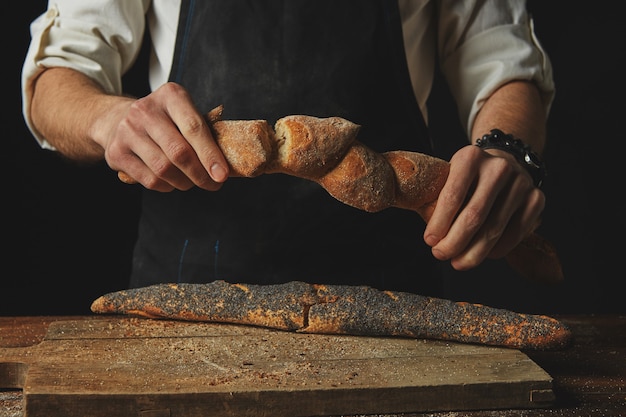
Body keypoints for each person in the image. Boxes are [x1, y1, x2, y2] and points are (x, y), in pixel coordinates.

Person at [21, 1, 554, 295]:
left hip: (393, 298)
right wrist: (108, 116)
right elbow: (57, 75)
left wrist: (507, 151)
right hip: (186, 289)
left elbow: (501, 57)